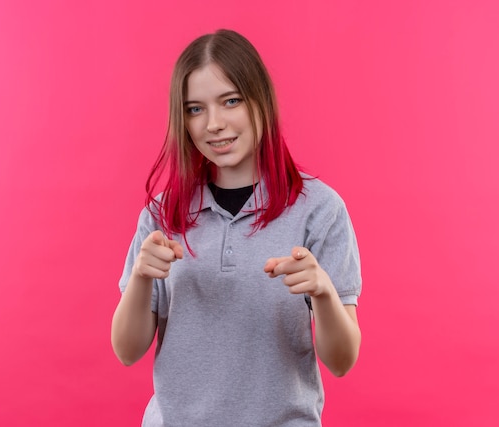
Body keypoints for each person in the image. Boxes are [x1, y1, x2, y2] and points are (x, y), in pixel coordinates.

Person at [111, 29, 362, 427]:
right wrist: (142, 277)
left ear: (260, 100)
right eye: (195, 109)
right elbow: (126, 351)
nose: (213, 124)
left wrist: (324, 292)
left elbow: (342, 360)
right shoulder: (163, 214)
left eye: (230, 101)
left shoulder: (320, 210)